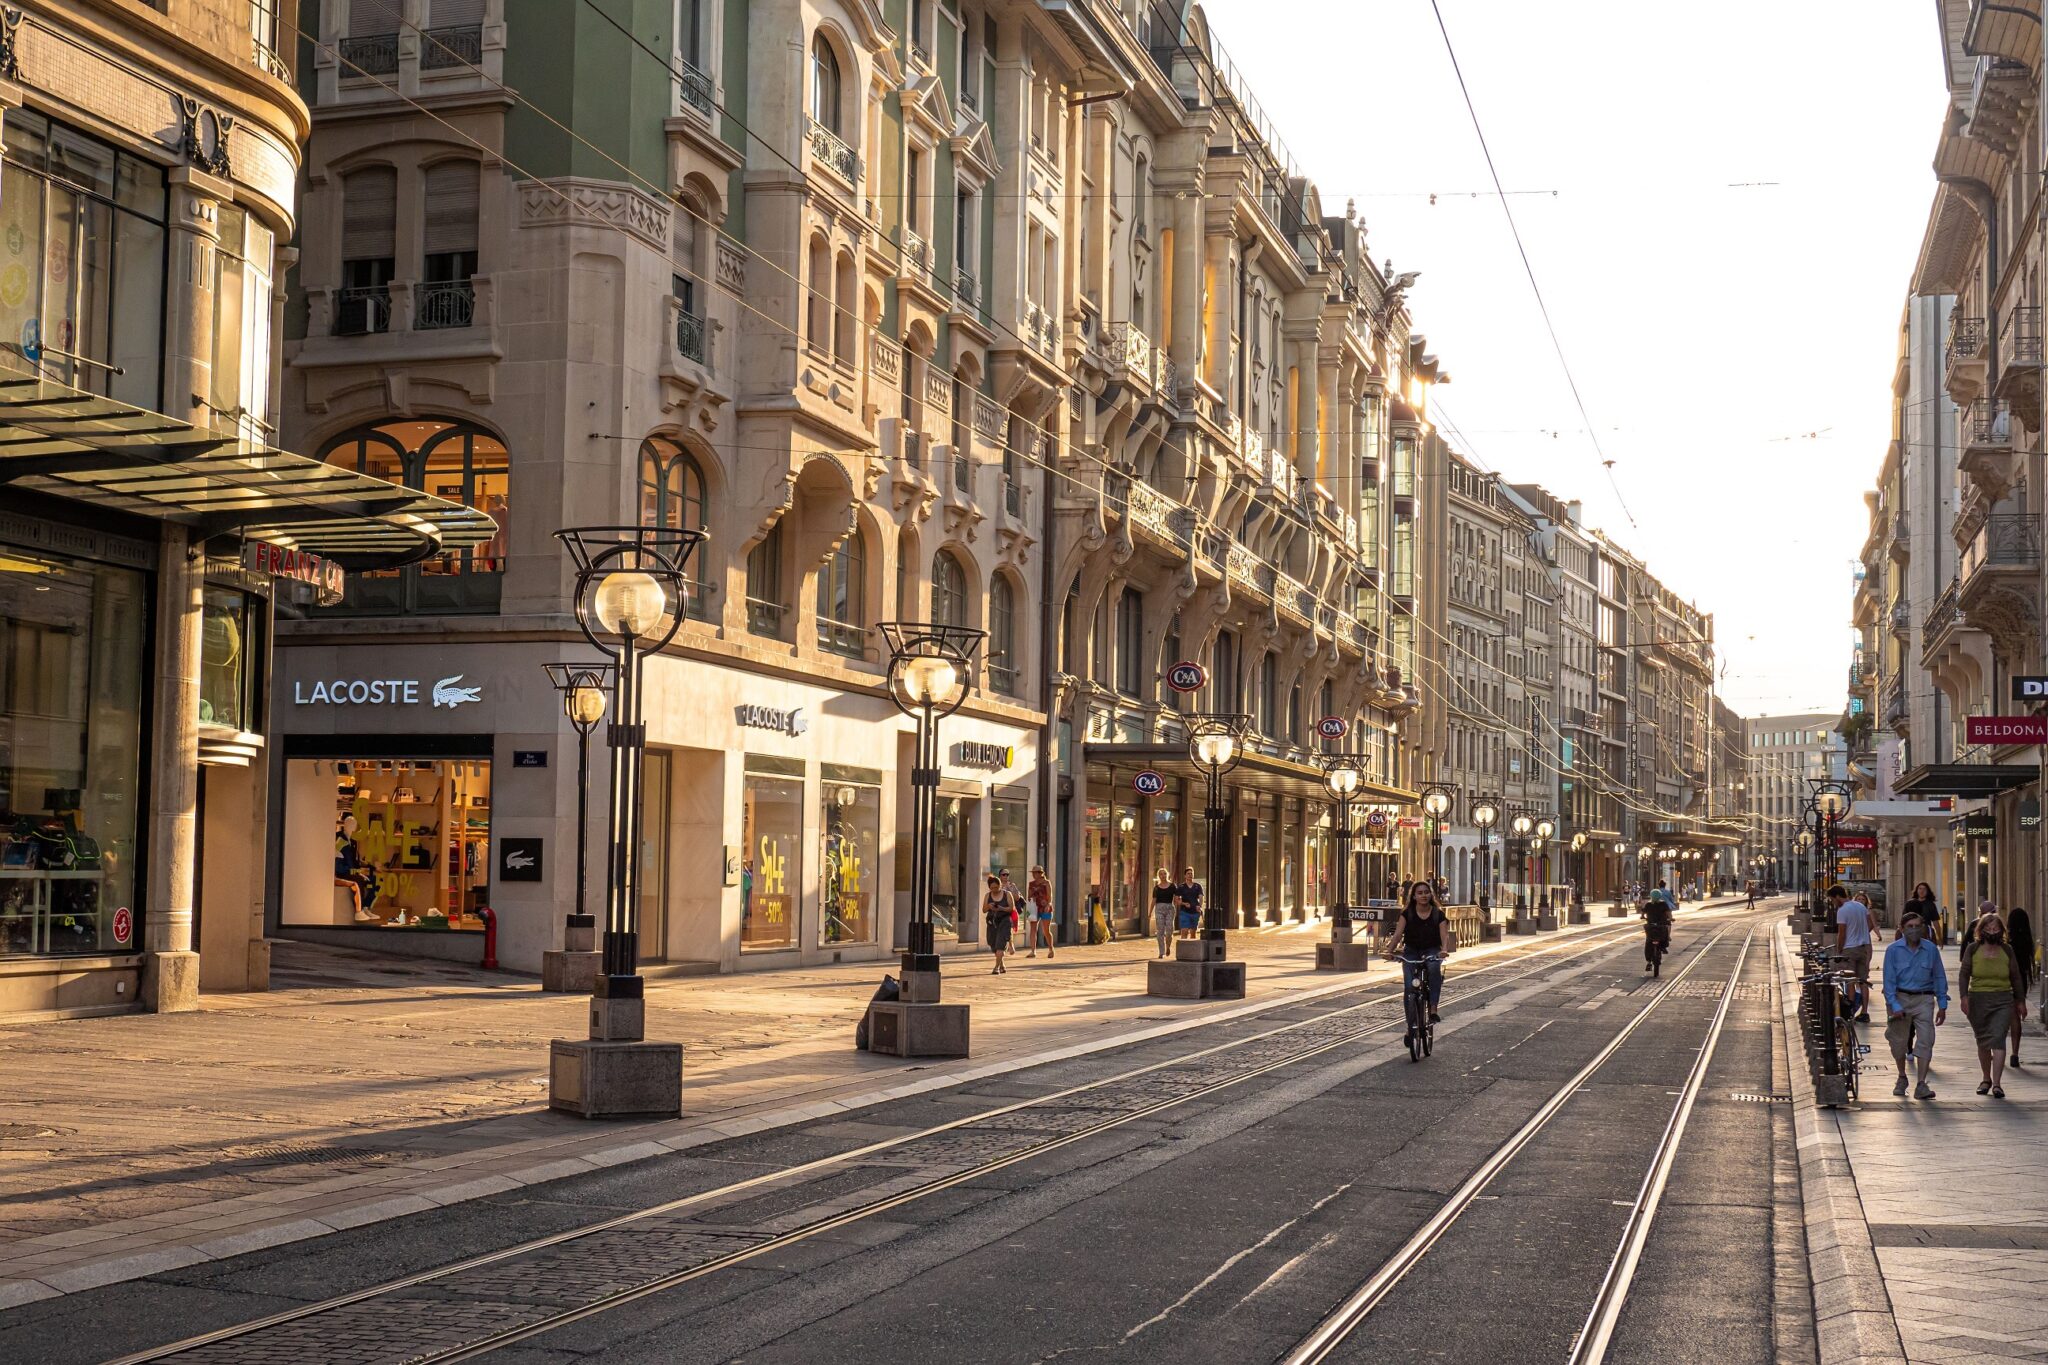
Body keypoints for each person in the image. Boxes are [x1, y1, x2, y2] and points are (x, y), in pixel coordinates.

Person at [1883, 910, 1949, 1100]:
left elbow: (1938, 975)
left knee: (1926, 1039)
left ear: (1923, 928)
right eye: (1909, 927)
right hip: (1900, 999)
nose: (1913, 930)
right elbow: (1889, 981)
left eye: (1917, 926)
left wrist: (1942, 1003)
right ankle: (1902, 1077)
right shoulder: (1893, 950)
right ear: (1902, 929)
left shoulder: (1930, 950)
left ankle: (1921, 1084)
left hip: (1924, 999)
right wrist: (1894, 1004)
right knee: (1898, 1042)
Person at [1961, 909, 2027, 1097]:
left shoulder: (2007, 950)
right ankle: (1985, 1078)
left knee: (1998, 1040)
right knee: (1983, 1041)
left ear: (2001, 930)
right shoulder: (1972, 949)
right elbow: (1964, 973)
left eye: (1995, 928)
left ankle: (1997, 1084)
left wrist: (2020, 1001)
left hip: (2003, 999)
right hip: (1978, 999)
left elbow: (2015, 977)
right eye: (1988, 928)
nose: (1992, 931)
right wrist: (1964, 996)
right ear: (1981, 930)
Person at [1385, 879, 1452, 1024]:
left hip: (1432, 950)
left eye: (1426, 892)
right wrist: (1389, 951)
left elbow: (1444, 934)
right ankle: (1411, 1027)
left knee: (1434, 969)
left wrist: (1444, 950)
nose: (1424, 895)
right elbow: (1397, 935)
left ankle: (1433, 1008)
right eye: (1420, 893)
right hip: (1411, 951)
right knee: (1409, 988)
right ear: (1414, 896)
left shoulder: (1437, 914)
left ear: (1431, 895)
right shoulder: (1407, 913)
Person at [1832, 883, 1880, 1023]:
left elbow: (1842, 933)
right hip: (1863, 947)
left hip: (1850, 948)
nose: (1833, 902)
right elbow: (1868, 923)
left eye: (1832, 899)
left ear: (1837, 897)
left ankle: (1851, 1012)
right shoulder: (1860, 906)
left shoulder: (1842, 910)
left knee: (1850, 981)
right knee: (1863, 982)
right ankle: (1864, 1012)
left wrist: (1839, 950)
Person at [2009, 906, 2036, 1067]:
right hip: (2021, 981)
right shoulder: (2027, 942)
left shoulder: (2008, 944)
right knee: (2015, 1018)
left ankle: (1998, 1050)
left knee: (2001, 1018)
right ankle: (2015, 1053)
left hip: (2006, 981)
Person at [982, 873, 1017, 973]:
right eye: (992, 888)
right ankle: (1002, 965)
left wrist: (1001, 908)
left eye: (996, 887)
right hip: (992, 922)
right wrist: (989, 906)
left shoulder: (1007, 894)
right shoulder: (987, 896)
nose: (994, 890)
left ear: (1000, 885)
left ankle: (996, 967)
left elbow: (1012, 908)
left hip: (1004, 921)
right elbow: (984, 910)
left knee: (1000, 944)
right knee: (993, 944)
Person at [1641, 889, 1673, 971]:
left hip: (1650, 926)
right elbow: (1668, 912)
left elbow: (1643, 912)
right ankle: (1663, 947)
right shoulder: (1663, 904)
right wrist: (1671, 918)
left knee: (1648, 941)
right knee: (1664, 935)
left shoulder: (1648, 904)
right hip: (1661, 925)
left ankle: (1649, 961)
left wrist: (1642, 916)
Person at [1027, 866, 1055, 959]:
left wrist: (1048, 904)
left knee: (1046, 930)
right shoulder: (1031, 884)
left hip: (1045, 908)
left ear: (1040, 873)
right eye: (1033, 873)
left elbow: (1050, 896)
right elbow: (1029, 896)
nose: (1033, 875)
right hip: (1034, 908)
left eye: (1035, 873)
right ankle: (1033, 951)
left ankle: (1051, 949)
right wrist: (1032, 896)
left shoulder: (1046, 883)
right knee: (1033, 929)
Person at [1150, 868, 1177, 959]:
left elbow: (1176, 899)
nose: (1163, 876)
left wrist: (1181, 902)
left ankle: (1168, 946)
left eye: (1164, 874)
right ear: (1159, 876)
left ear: (1167, 875)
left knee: (1169, 930)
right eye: (1161, 874)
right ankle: (1161, 952)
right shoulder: (1156, 888)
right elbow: (1154, 900)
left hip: (1170, 908)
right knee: (1160, 931)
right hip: (1159, 909)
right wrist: (1150, 912)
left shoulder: (1173, 886)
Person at [1904, 882, 1941, 948]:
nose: (1922, 891)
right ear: (1917, 890)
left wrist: (1940, 938)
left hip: (1925, 932)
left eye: (1924, 889)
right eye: (1920, 889)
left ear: (1927, 891)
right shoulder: (1910, 903)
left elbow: (1935, 922)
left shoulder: (1930, 905)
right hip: (1911, 932)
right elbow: (1903, 919)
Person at [1175, 867, 1204, 940]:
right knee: (1184, 931)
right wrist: (1184, 904)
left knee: (1193, 933)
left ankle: (1192, 950)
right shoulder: (1181, 887)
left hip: (1195, 912)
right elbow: (1176, 900)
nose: (1190, 875)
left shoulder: (1197, 886)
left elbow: (1201, 898)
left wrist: (1199, 906)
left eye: (1191, 873)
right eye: (1188, 874)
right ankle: (1183, 950)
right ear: (1185, 876)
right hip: (1184, 912)